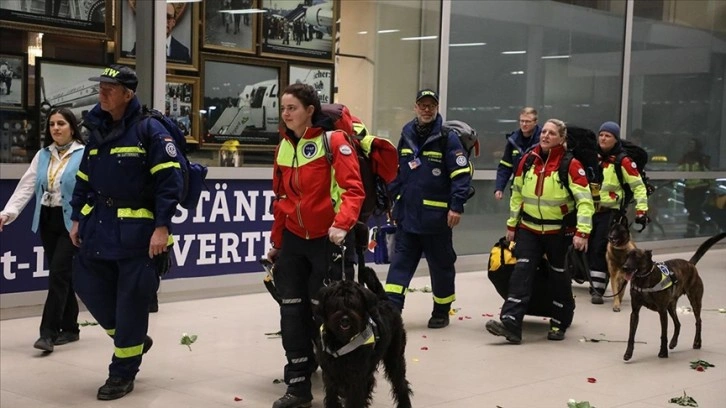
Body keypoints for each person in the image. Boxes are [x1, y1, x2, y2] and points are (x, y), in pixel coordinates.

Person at [69, 65, 185, 400]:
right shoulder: (96, 129)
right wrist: (77, 217)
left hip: (139, 234)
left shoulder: (150, 130)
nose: (102, 92)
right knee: (86, 284)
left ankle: (122, 373)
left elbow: (169, 182)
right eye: (101, 87)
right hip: (99, 226)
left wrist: (162, 227)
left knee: (131, 303)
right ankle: (132, 341)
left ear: (128, 94)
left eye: (110, 88)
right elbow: (84, 179)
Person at [266, 83, 364, 408]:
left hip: (328, 240)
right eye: (283, 108)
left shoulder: (333, 141)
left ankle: (344, 380)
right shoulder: (282, 145)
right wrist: (277, 243)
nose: (286, 114)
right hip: (294, 241)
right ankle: (298, 387)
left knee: (328, 313)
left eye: (292, 108)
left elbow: (353, 189)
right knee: (291, 313)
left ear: (310, 111)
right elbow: (281, 198)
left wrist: (342, 224)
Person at [485, 119, 594, 343]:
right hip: (529, 229)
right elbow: (517, 194)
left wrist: (582, 232)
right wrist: (512, 225)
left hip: (558, 233)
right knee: (521, 273)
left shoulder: (570, 165)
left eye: (551, 133)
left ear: (562, 138)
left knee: (558, 275)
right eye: (543, 131)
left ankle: (559, 321)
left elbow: (585, 202)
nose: (545, 136)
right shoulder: (527, 160)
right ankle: (511, 324)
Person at [384, 89, 473, 329]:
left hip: (437, 221)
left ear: (437, 108)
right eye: (422, 105)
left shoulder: (447, 138)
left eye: (430, 105)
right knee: (399, 267)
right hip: (407, 217)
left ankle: (441, 311)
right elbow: (399, 171)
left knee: (441, 267)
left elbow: (461, 175)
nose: (426, 109)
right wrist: (390, 197)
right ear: (415, 107)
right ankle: (391, 313)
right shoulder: (406, 134)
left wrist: (456, 206)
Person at [0, 107, 85, 353]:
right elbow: (27, 185)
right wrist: (8, 213)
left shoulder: (84, 154)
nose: (56, 128)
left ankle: (48, 333)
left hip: (72, 221)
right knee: (62, 274)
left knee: (58, 274)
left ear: (72, 127)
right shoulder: (43, 155)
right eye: (52, 124)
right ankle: (70, 328)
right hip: (48, 219)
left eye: (61, 123)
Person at [587, 121, 649, 304]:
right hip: (589, 211)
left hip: (610, 213)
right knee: (588, 247)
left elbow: (639, 187)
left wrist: (641, 211)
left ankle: (597, 290)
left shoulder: (623, 161)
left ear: (615, 139)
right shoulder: (592, 158)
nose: (603, 138)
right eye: (601, 135)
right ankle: (594, 281)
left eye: (608, 136)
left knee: (599, 248)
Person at [494, 107, 541, 200]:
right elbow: (505, 166)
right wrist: (499, 188)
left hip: (537, 190)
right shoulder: (513, 140)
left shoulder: (543, 140)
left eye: (528, 121)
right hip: (517, 191)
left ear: (535, 122)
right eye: (522, 121)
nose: (524, 124)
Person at [678, 138, 711, 237]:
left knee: (693, 209)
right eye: (689, 144)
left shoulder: (701, 158)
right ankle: (704, 224)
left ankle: (690, 232)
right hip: (689, 188)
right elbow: (680, 169)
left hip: (700, 188)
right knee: (691, 208)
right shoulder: (686, 157)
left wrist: (710, 185)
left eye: (692, 144)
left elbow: (707, 171)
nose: (690, 146)